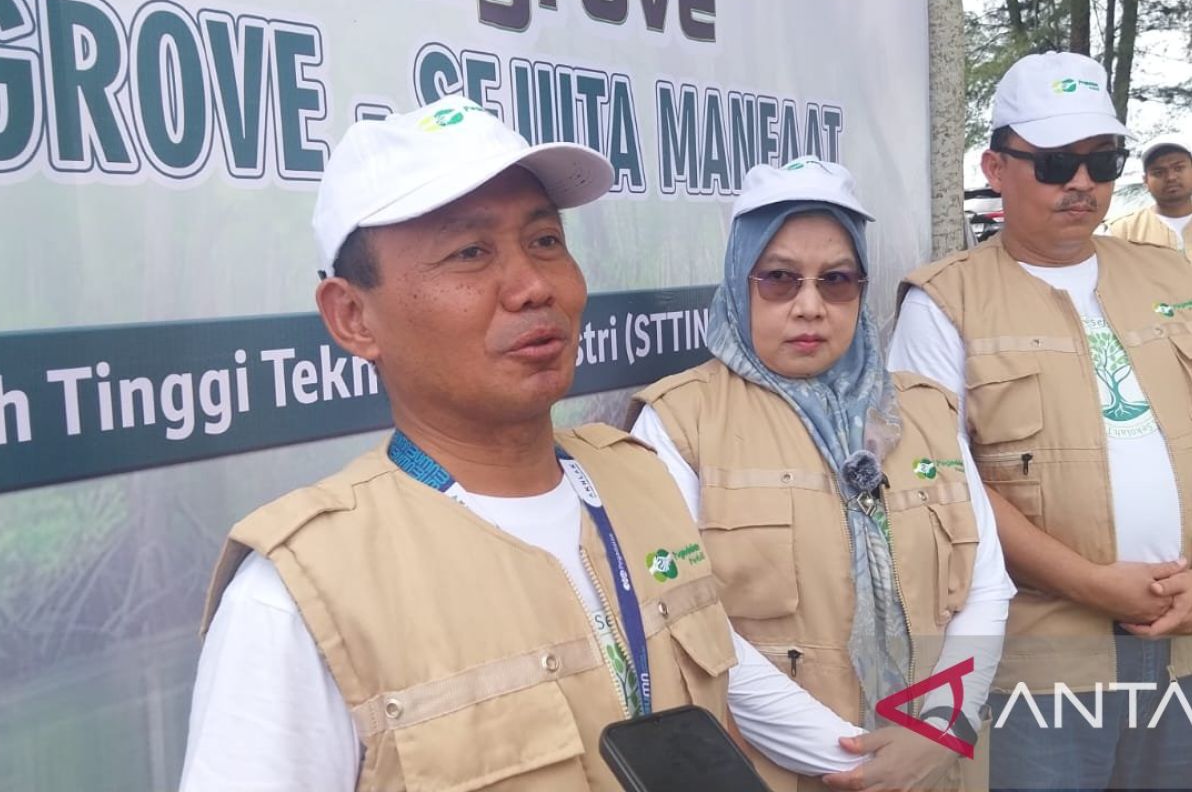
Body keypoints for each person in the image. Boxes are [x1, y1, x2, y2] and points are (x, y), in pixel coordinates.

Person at [178, 96, 872, 792]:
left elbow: (721, 672)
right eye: (470, 252)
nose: (535, 285)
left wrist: (867, 756)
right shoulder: (302, 597)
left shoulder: (637, 479)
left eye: (545, 241)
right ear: (353, 317)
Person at [631, 157, 1015, 792]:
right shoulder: (679, 425)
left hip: (938, 767)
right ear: (738, 281)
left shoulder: (923, 410)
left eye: (836, 280)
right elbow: (691, 626)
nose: (810, 306)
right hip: (780, 772)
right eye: (779, 279)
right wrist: (857, 762)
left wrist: (939, 732)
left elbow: (987, 589)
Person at [890, 51, 1192, 790]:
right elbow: (942, 484)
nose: (1083, 183)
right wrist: (1092, 583)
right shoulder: (943, 303)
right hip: (1046, 660)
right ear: (996, 168)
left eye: (1103, 159)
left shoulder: (1171, 278)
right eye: (1056, 162)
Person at [1108, 134, 1192, 259]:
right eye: (1158, 172)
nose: (1171, 177)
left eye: (1178, 168)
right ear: (1145, 181)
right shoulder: (1124, 232)